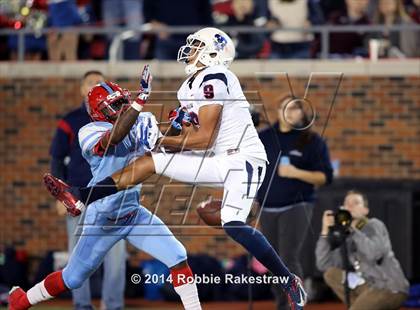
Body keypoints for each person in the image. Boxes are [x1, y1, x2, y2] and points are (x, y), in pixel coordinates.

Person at [41, 27, 308, 309]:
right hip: (218, 159)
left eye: (196, 45)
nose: (189, 49)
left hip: (243, 160)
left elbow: (204, 138)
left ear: (212, 53)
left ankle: (289, 280)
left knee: (233, 225)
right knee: (148, 162)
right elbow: (191, 137)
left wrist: (162, 139)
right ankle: (81, 196)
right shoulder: (189, 87)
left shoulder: (217, 77)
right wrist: (171, 133)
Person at [9, 66, 202, 310]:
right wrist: (140, 100)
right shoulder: (89, 131)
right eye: (114, 105)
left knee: (178, 256)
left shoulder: (142, 119)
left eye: (123, 101)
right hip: (102, 218)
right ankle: (21, 301)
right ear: (98, 113)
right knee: (73, 278)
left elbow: (159, 151)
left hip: (133, 213)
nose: (121, 107)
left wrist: (176, 124)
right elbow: (115, 138)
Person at [49, 70, 127, 310]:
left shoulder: (119, 119)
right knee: (79, 256)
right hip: (79, 196)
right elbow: (56, 158)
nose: (96, 85)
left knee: (116, 257)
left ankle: (113, 305)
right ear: (83, 89)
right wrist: (60, 197)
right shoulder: (70, 120)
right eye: (91, 83)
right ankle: (81, 305)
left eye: (101, 82)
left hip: (113, 197)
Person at [257, 95, 333, 309]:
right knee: (271, 261)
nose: (289, 112)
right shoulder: (264, 137)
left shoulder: (311, 141)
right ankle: (282, 303)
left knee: (288, 257)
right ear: (278, 111)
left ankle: (292, 306)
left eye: (295, 108)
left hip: (297, 206)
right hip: (267, 206)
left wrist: (296, 172)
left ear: (302, 113)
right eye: (285, 108)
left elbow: (325, 177)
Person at [316, 190, 409, 310]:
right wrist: (325, 231)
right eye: (347, 203)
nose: (349, 206)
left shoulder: (374, 225)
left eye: (355, 203)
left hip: (389, 287)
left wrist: (352, 230)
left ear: (366, 210)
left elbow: (374, 254)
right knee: (331, 274)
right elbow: (324, 264)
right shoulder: (347, 235)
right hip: (368, 286)